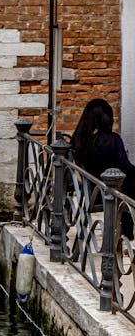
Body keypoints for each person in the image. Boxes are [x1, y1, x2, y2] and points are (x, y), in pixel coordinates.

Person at [70, 98, 135, 236]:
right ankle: (127, 233)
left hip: (92, 191)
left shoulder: (78, 140)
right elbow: (126, 169)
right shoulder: (112, 140)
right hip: (112, 191)